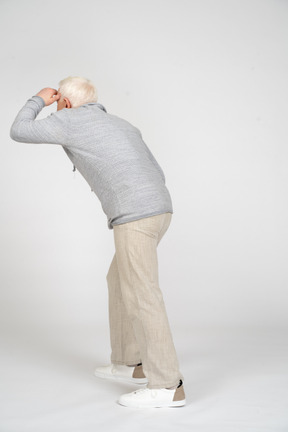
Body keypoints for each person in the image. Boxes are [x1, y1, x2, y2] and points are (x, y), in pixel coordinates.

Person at [10, 76, 185, 408]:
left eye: (58, 102)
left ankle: (166, 385)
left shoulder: (67, 119)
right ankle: (128, 363)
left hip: (135, 216)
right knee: (119, 280)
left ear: (66, 102)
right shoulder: (121, 124)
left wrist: (38, 99)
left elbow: (19, 130)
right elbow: (155, 169)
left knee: (143, 295)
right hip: (161, 210)